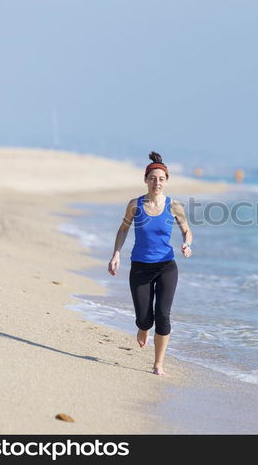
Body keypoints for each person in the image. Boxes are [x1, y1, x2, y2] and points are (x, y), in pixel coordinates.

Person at [107, 151, 193, 376]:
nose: (157, 182)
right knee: (145, 318)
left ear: (166, 182)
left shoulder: (174, 206)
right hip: (140, 267)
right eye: (153, 178)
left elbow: (187, 230)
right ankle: (143, 327)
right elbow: (123, 229)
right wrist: (116, 253)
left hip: (166, 266)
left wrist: (187, 244)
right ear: (146, 180)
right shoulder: (135, 205)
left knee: (163, 315)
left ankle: (158, 364)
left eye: (161, 179)